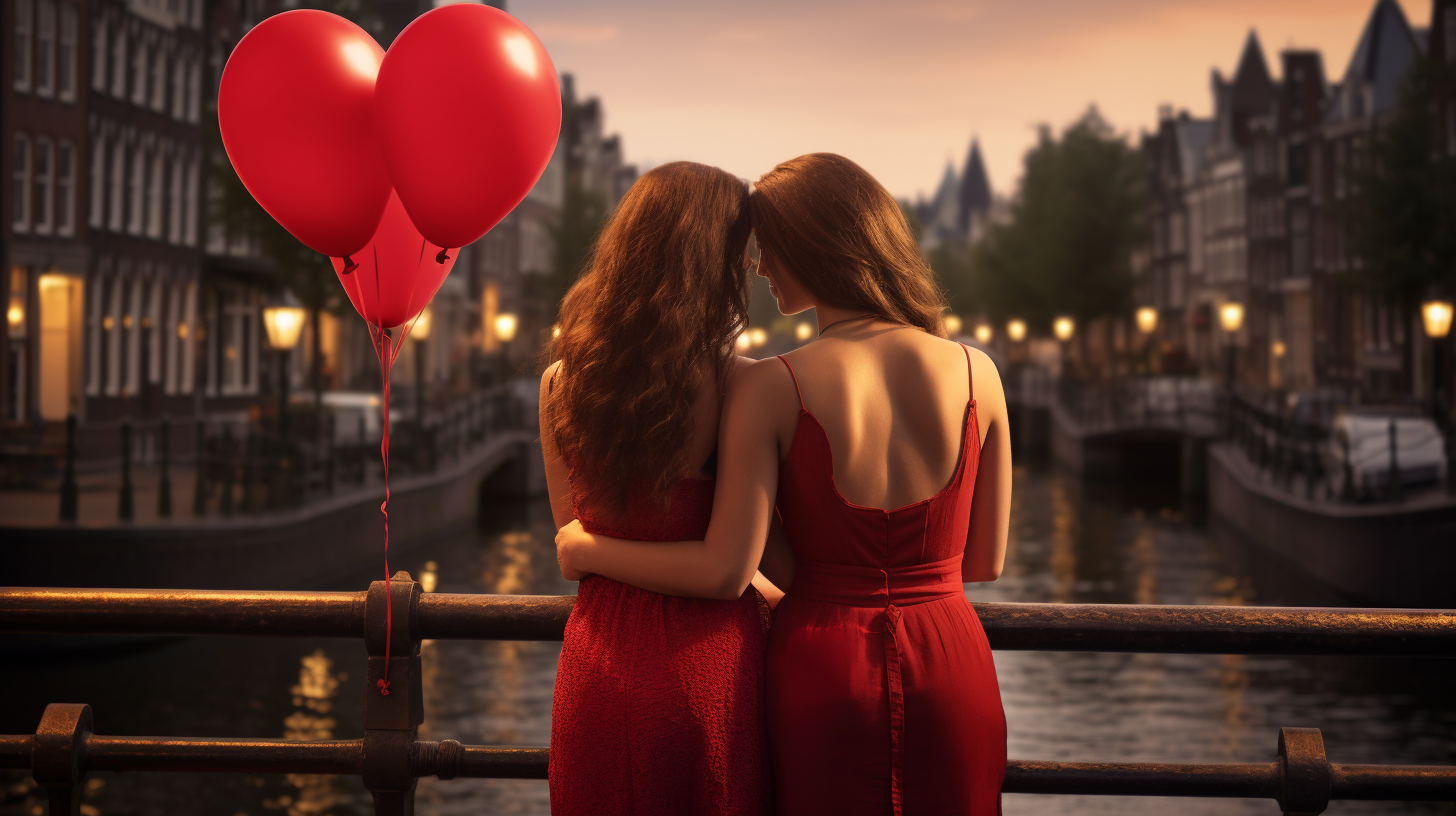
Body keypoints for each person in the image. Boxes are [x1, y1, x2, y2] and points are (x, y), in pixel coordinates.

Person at [556, 152, 1011, 815]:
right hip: (951, 657)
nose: (760, 269)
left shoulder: (774, 385)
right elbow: (986, 563)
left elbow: (752, 557)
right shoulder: (980, 372)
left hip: (821, 663)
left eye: (770, 251)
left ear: (813, 250)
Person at [540, 161, 780, 816]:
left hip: (598, 670)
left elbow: (576, 538)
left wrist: (586, 554)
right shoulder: (743, 385)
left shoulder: (561, 381)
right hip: (706, 673)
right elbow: (729, 570)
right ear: (719, 263)